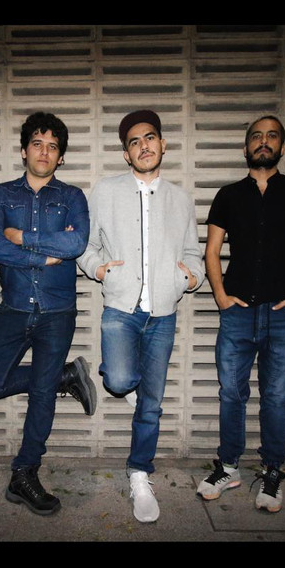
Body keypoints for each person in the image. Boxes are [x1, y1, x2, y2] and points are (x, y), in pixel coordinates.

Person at [77, 110, 204, 523]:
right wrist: (99, 270)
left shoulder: (180, 198)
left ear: (162, 144)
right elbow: (85, 245)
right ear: (126, 153)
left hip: (163, 314)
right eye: (134, 142)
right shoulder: (105, 191)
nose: (143, 146)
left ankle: (139, 473)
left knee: (151, 405)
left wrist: (189, 278)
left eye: (149, 138)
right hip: (120, 308)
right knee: (117, 380)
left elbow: (193, 253)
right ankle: (128, 381)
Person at [197, 115, 285, 513]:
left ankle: (271, 471)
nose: (263, 141)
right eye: (256, 136)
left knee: (276, 398)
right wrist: (220, 296)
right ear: (246, 147)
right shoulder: (229, 195)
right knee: (231, 394)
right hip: (238, 315)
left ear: (282, 146)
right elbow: (211, 251)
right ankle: (229, 467)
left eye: (271, 136)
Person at [0, 111, 96, 516]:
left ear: (61, 156)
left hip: (57, 312)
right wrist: (44, 256)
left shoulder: (72, 197)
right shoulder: (0, 194)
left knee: (42, 395)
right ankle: (64, 375)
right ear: (24, 150)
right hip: (13, 308)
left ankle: (24, 473)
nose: (44, 152)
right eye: (37, 144)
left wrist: (22, 238)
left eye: (52, 146)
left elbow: (77, 244)